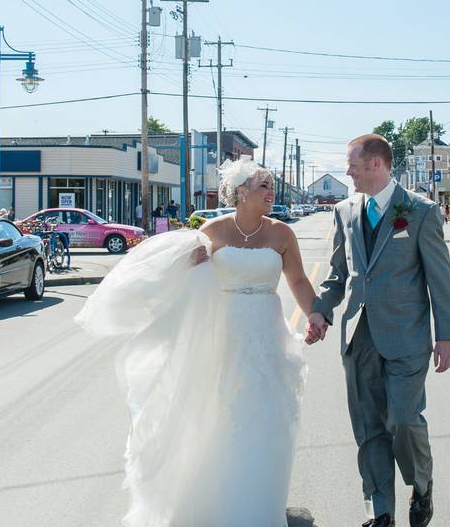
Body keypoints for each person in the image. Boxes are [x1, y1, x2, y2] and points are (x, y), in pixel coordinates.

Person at [75, 158, 316, 525]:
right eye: (263, 186)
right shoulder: (213, 231)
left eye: (270, 185)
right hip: (222, 337)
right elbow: (182, 277)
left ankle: (260, 505)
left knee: (266, 420)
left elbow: (298, 280)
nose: (271, 192)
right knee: (220, 419)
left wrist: (315, 313)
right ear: (241, 193)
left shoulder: (282, 234)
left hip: (267, 337)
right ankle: (218, 502)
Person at [306, 133, 450, 527]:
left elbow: (439, 279)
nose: (348, 171)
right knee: (369, 427)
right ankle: (380, 510)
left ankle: (421, 485)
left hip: (407, 335)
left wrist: (446, 335)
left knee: (404, 420)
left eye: (352, 164)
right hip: (359, 335)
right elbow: (338, 274)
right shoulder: (345, 210)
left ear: (376, 163)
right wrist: (321, 312)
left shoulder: (420, 212)